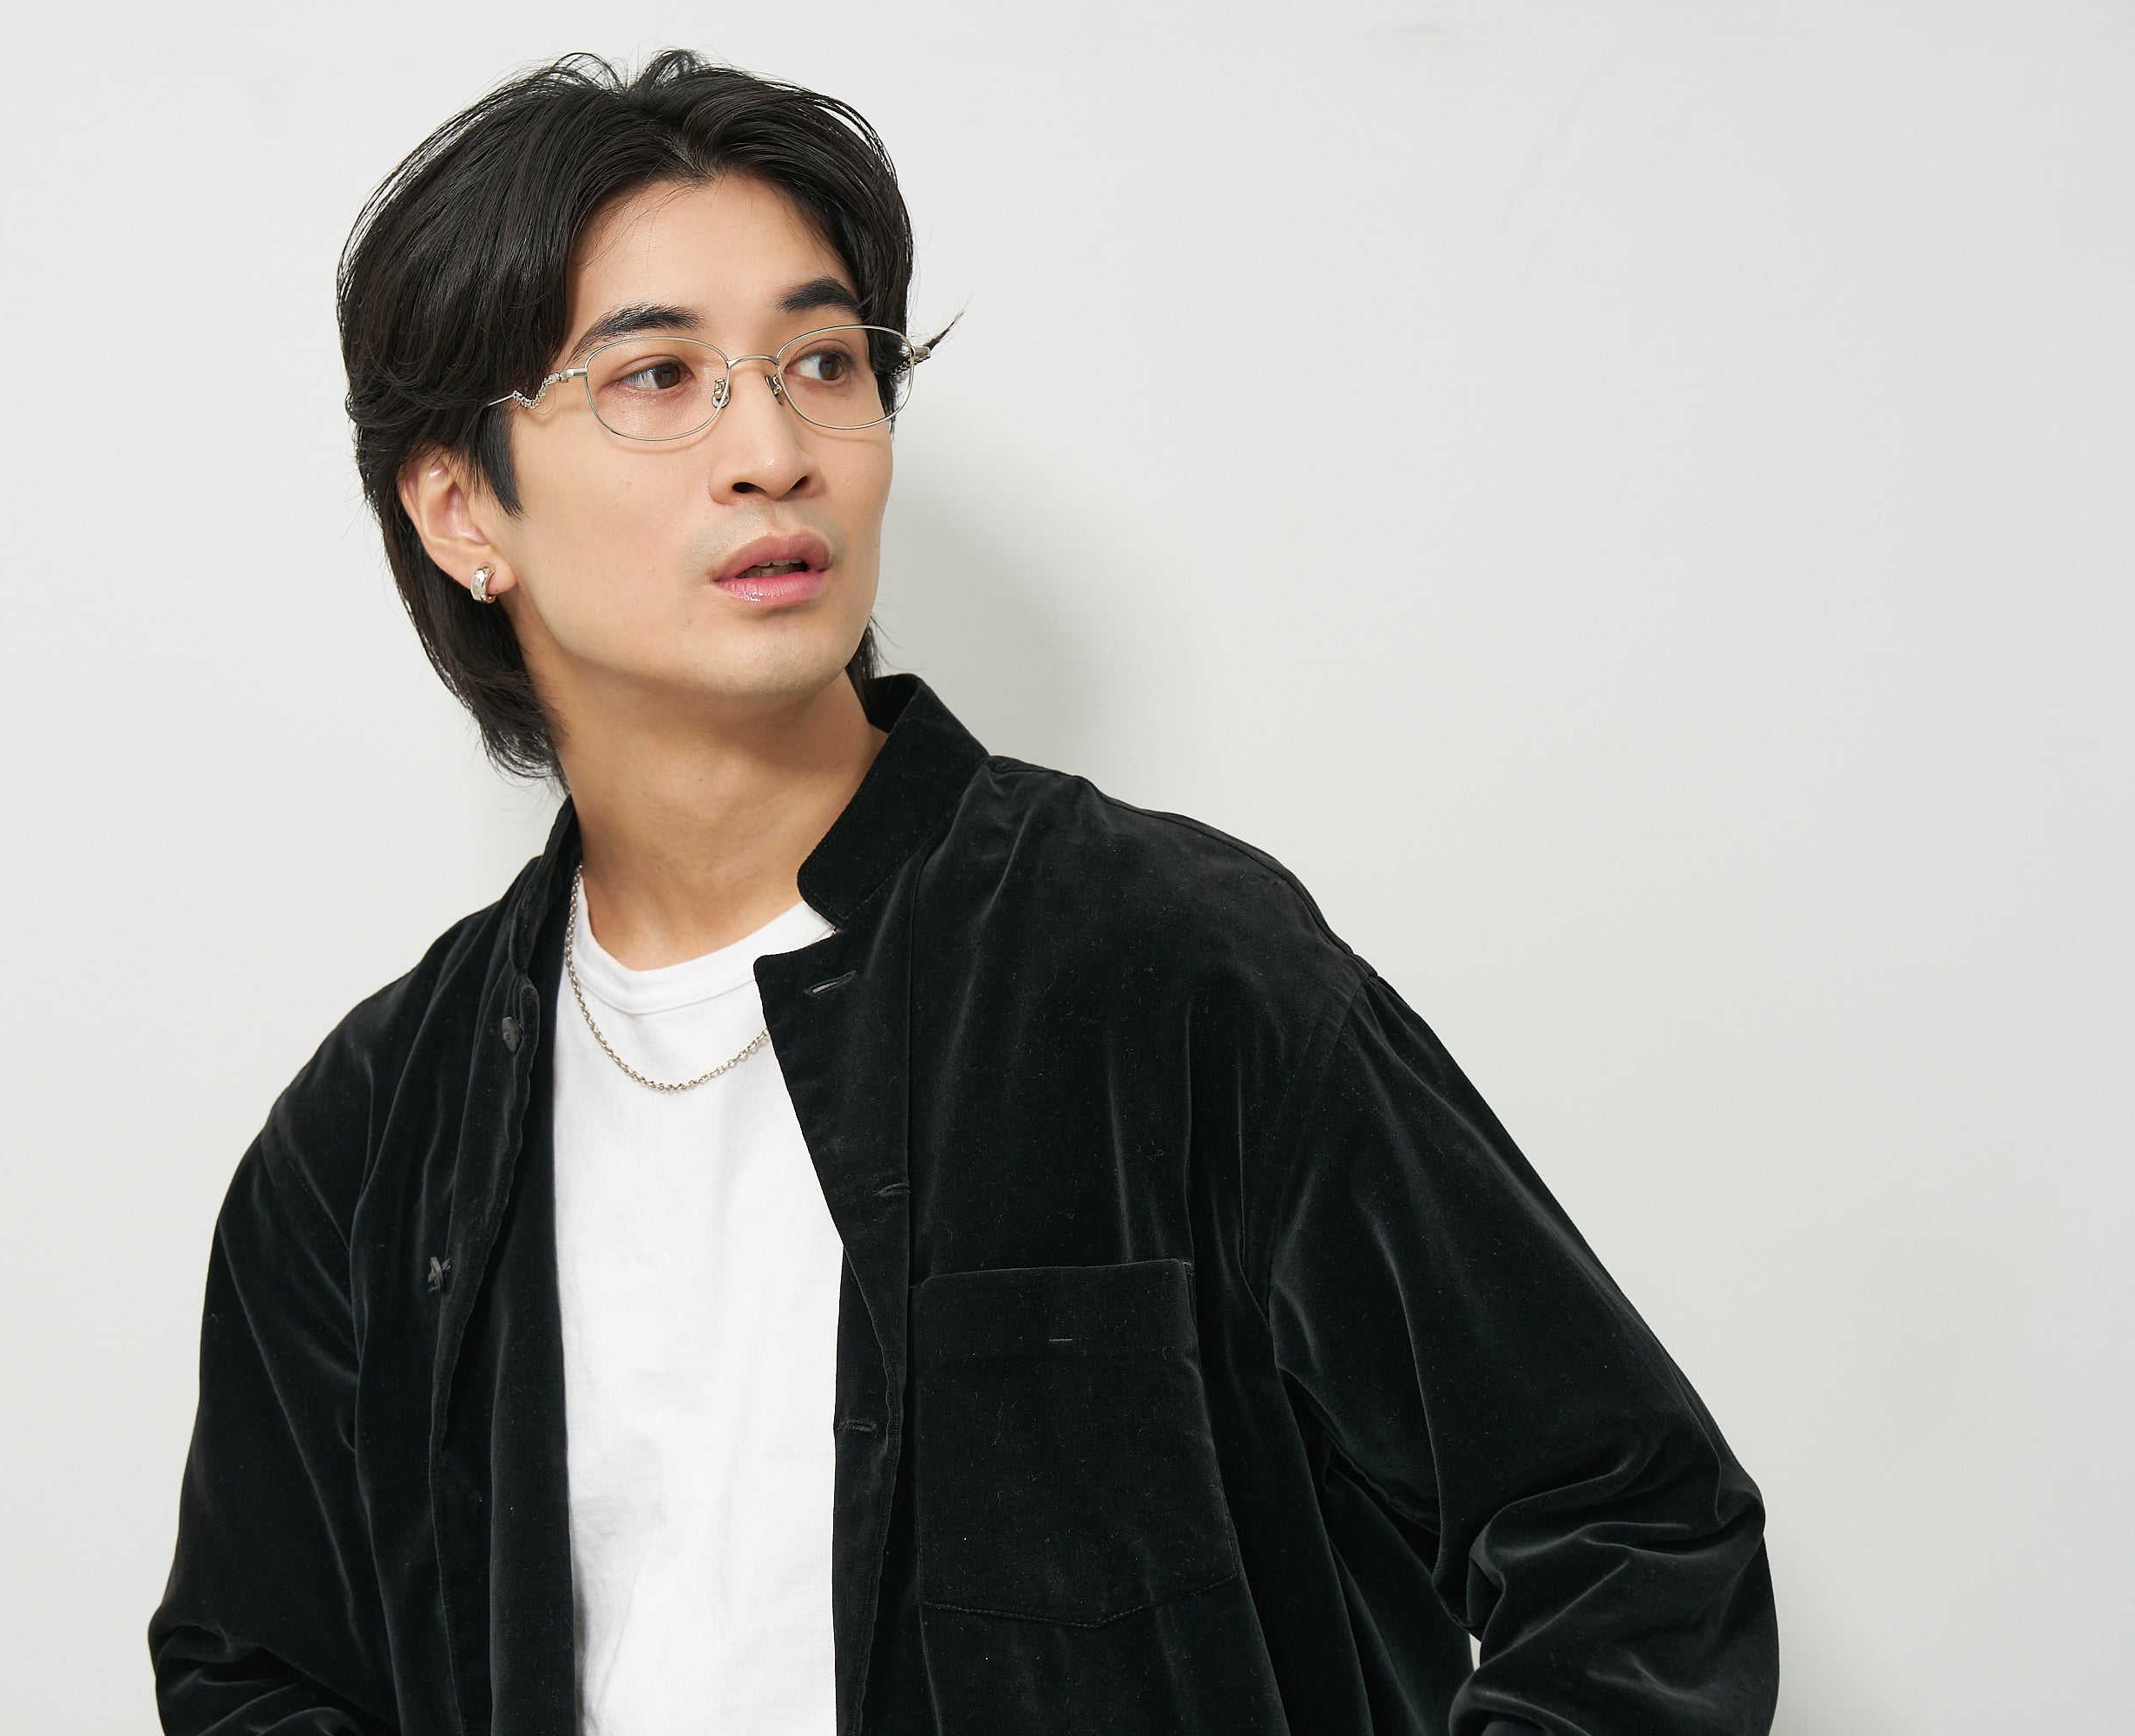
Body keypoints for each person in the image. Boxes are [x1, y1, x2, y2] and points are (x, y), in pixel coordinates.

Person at [147, 48, 1777, 1736]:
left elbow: (1634, 1539)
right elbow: (259, 1671)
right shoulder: (374, 1137)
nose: (772, 448)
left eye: (824, 361)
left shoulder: (1163, 967)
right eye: (657, 376)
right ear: (459, 507)